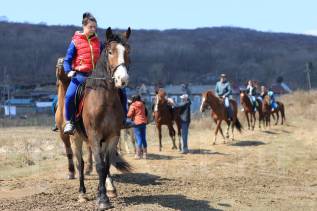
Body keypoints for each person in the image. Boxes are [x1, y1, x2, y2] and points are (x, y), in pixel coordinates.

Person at [62, 12, 129, 134]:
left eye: (94, 27)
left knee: (122, 91)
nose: (93, 29)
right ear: (84, 26)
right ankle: (69, 122)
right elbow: (67, 60)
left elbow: (110, 53)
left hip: (98, 76)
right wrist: (68, 71)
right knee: (69, 96)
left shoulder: (99, 42)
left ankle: (124, 119)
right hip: (81, 75)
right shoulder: (75, 41)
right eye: (90, 27)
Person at [127, 95, 148, 159]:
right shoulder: (143, 104)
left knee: (139, 138)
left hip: (136, 123)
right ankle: (145, 154)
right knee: (143, 138)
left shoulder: (132, 105)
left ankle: (138, 155)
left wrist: (126, 115)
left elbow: (129, 115)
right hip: (144, 122)